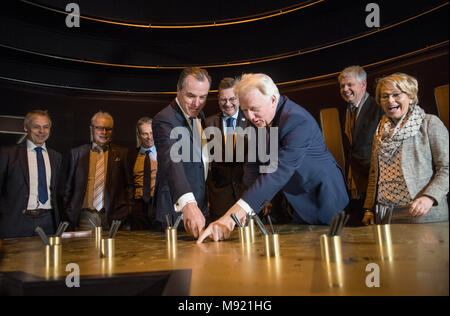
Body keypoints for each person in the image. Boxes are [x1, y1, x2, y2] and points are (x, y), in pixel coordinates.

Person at [198, 73, 349, 242]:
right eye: (245, 110)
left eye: (254, 109)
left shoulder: (297, 120)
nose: (249, 116)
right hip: (296, 202)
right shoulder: (259, 120)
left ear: (272, 99)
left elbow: (278, 172)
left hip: (324, 198)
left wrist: (231, 215)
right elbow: (252, 167)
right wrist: (247, 210)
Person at [362, 73, 449, 224]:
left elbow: (446, 167)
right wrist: (369, 208)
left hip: (422, 214)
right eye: (385, 96)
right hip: (385, 215)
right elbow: (374, 173)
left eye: (396, 95)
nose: (390, 100)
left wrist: (429, 197)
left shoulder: (429, 123)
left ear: (410, 96)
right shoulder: (380, 132)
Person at [152, 67, 211, 238]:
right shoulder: (164, 119)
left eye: (203, 97)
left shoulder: (200, 117)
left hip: (200, 208)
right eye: (191, 96)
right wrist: (189, 205)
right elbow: (172, 162)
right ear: (178, 90)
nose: (197, 103)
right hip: (176, 211)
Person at [64, 111, 132, 230]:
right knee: (84, 249)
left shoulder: (122, 154)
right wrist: (70, 211)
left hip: (113, 218)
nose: (104, 132)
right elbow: (68, 188)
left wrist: (125, 211)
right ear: (91, 128)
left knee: (113, 249)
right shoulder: (77, 153)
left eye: (108, 129)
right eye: (99, 128)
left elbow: (129, 187)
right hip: (85, 217)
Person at [0, 110, 62, 238]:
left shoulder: (56, 157)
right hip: (17, 222)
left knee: (47, 258)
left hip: (48, 222)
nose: (42, 131)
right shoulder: (8, 154)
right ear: (25, 127)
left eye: (46, 127)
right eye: (36, 127)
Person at [338, 66, 384, 225]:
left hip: (376, 182)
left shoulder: (377, 107)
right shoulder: (349, 109)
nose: (345, 89)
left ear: (363, 84)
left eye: (350, 84)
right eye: (342, 86)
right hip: (357, 183)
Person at [205, 77, 248, 221]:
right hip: (219, 199)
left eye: (232, 99)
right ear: (218, 99)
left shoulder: (251, 121)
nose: (228, 104)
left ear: (239, 98)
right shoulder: (208, 124)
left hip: (247, 196)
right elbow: (205, 165)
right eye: (224, 100)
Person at [128, 117, 158, 230]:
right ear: (139, 135)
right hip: (138, 208)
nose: (149, 137)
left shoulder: (164, 154)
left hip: (157, 206)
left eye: (151, 133)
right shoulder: (130, 156)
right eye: (145, 134)